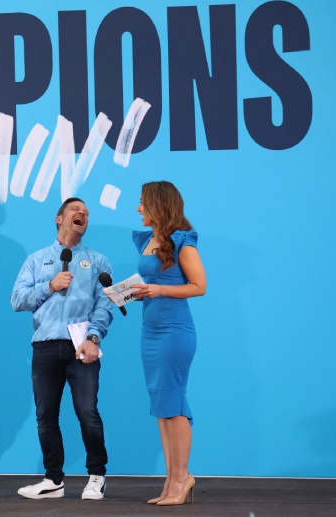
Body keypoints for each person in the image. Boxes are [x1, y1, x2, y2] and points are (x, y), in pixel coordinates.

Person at [11, 197, 113, 501]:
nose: (82, 213)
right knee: (46, 416)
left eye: (86, 212)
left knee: (87, 412)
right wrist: (50, 286)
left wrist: (94, 339)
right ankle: (53, 480)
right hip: (44, 347)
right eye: (75, 210)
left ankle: (97, 475)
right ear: (59, 219)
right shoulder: (36, 259)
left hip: (81, 346)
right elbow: (17, 300)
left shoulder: (98, 262)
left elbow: (105, 305)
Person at [131, 181, 206, 506]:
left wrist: (159, 290)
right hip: (150, 330)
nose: (138, 209)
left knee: (173, 405)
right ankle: (172, 479)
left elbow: (199, 286)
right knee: (162, 407)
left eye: (142, 203)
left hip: (175, 331)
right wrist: (140, 291)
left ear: (158, 204)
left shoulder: (182, 242)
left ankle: (182, 479)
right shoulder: (148, 240)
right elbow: (154, 282)